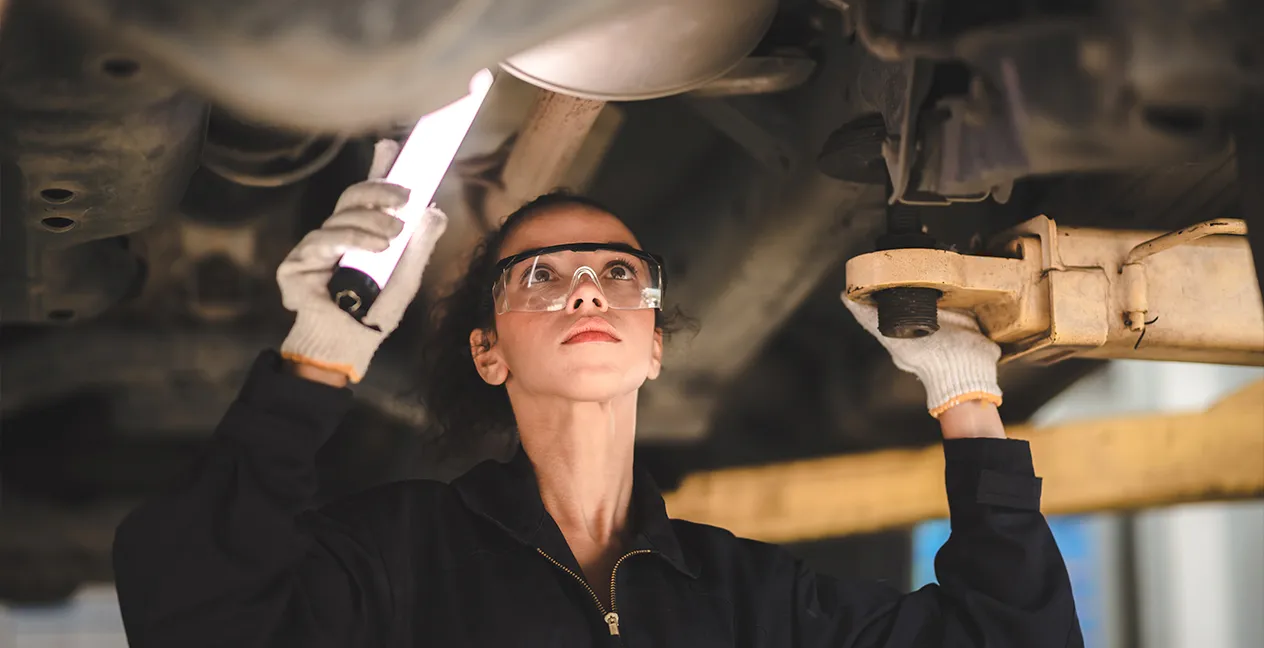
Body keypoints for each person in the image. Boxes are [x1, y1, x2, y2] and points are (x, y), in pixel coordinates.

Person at [113, 142, 1082, 647]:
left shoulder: (744, 599)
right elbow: (193, 615)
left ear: (653, 344)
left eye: (618, 274)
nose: (585, 286)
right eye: (540, 275)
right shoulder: (404, 559)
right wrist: (316, 359)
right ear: (487, 354)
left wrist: (965, 398)